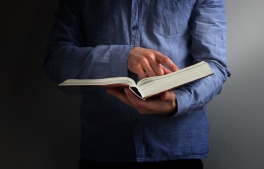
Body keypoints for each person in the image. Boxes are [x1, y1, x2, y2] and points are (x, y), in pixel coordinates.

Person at [43, 0, 230, 168]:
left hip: (178, 150)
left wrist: (178, 102)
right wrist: (122, 57)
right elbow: (56, 61)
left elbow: (215, 66)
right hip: (104, 149)